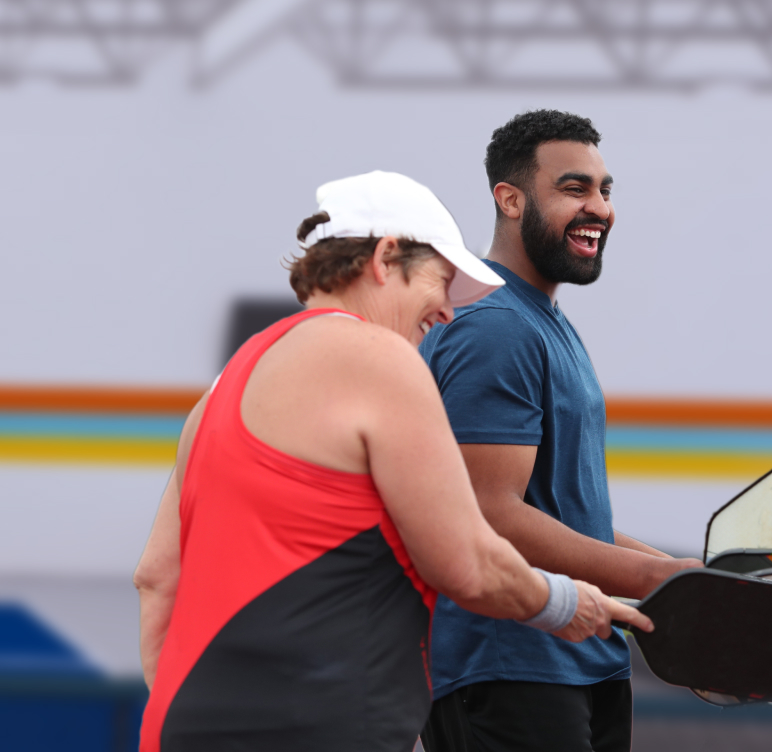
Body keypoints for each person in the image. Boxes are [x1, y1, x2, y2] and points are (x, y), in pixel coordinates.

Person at [132, 170, 651, 752]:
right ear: (384, 258)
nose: (449, 313)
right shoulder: (381, 358)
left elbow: (156, 579)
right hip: (325, 726)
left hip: (185, 726)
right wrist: (567, 603)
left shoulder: (222, 388)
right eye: (442, 283)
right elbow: (468, 564)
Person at [417, 110, 702, 751]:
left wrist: (682, 574)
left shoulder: (540, 319)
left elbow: (564, 515)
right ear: (510, 199)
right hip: (509, 667)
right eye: (574, 189)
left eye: (605, 191)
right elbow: (488, 514)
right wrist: (652, 580)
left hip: (584, 660)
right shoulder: (495, 327)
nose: (599, 207)